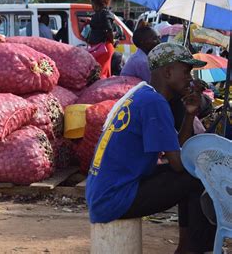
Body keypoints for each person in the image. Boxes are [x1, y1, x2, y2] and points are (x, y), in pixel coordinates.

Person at [86, 43, 215, 254]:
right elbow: (178, 164)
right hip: (115, 199)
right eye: (186, 71)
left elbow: (175, 150)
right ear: (167, 72)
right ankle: (192, 249)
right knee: (200, 177)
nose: (190, 78)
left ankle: (188, 246)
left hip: (105, 191)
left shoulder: (144, 95)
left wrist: (190, 114)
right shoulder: (154, 103)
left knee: (192, 175)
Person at [87, 0, 115, 78]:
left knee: (100, 75)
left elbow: (108, 29)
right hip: (100, 48)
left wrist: (112, 41)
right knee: (101, 73)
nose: (91, 5)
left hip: (103, 48)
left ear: (97, 2)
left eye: (92, 1)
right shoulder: (100, 13)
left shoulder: (104, 13)